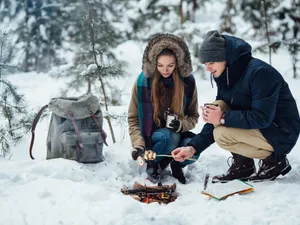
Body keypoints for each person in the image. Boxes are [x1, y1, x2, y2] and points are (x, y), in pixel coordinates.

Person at [172, 30, 300, 183]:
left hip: (281, 132)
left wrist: (223, 117)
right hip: (263, 129)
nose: (208, 68)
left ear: (224, 57)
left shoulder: (260, 73)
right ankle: (244, 165)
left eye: (211, 62)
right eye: (205, 64)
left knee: (222, 133)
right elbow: (217, 116)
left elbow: (263, 117)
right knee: (217, 106)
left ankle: (274, 162)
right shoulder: (226, 75)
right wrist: (193, 148)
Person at [128, 33, 199, 184]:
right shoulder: (143, 82)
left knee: (194, 150)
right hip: (153, 139)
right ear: (154, 63)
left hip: (179, 134)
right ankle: (153, 165)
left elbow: (193, 116)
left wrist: (181, 125)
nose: (165, 70)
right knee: (168, 136)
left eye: (170, 65)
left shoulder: (188, 83)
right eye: (160, 65)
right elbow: (133, 118)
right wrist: (138, 145)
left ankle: (176, 164)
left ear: (178, 64)